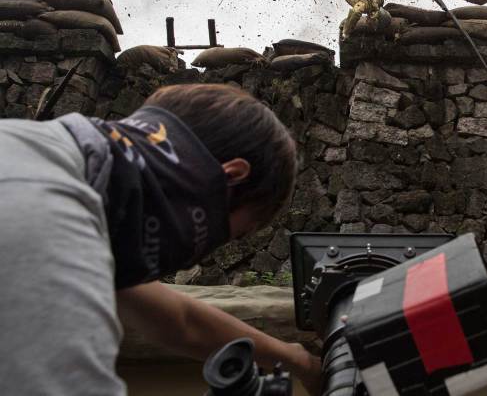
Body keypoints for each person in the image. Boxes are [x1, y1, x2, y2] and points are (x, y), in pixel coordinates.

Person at [0, 83, 321, 395]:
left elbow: (181, 322)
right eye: (228, 234)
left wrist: (300, 361)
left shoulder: (47, 159)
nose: (199, 256)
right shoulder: (47, 224)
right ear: (229, 177)